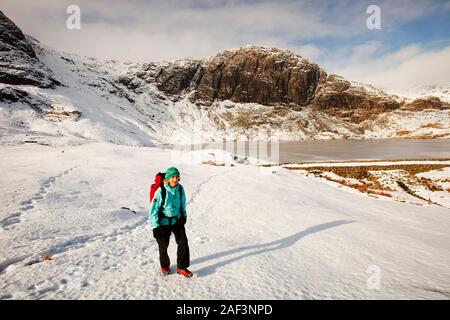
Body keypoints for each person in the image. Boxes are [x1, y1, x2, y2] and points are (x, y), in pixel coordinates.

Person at [149, 167, 192, 277]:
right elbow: (153, 209)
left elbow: (182, 204)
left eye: (177, 177)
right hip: (163, 222)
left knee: (183, 242)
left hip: (177, 221)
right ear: (168, 178)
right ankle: (165, 265)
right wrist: (155, 226)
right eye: (172, 177)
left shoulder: (180, 189)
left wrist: (184, 216)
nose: (175, 179)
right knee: (163, 245)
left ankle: (181, 267)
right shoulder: (161, 191)